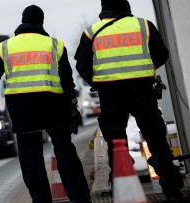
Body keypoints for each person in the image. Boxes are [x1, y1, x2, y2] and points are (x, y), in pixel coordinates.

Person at [0, 5, 91, 203]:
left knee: (31, 160)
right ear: (41, 22)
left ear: (22, 21)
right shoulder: (55, 45)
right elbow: (67, 82)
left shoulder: (6, 47)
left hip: (23, 112)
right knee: (65, 153)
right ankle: (80, 199)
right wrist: (72, 106)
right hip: (53, 109)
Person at [74, 0, 184, 201]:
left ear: (104, 8)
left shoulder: (92, 32)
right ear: (126, 6)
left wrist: (99, 81)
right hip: (142, 90)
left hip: (110, 94)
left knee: (117, 143)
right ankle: (172, 190)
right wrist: (144, 71)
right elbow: (161, 54)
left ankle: (122, 191)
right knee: (156, 139)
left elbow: (82, 66)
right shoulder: (143, 26)